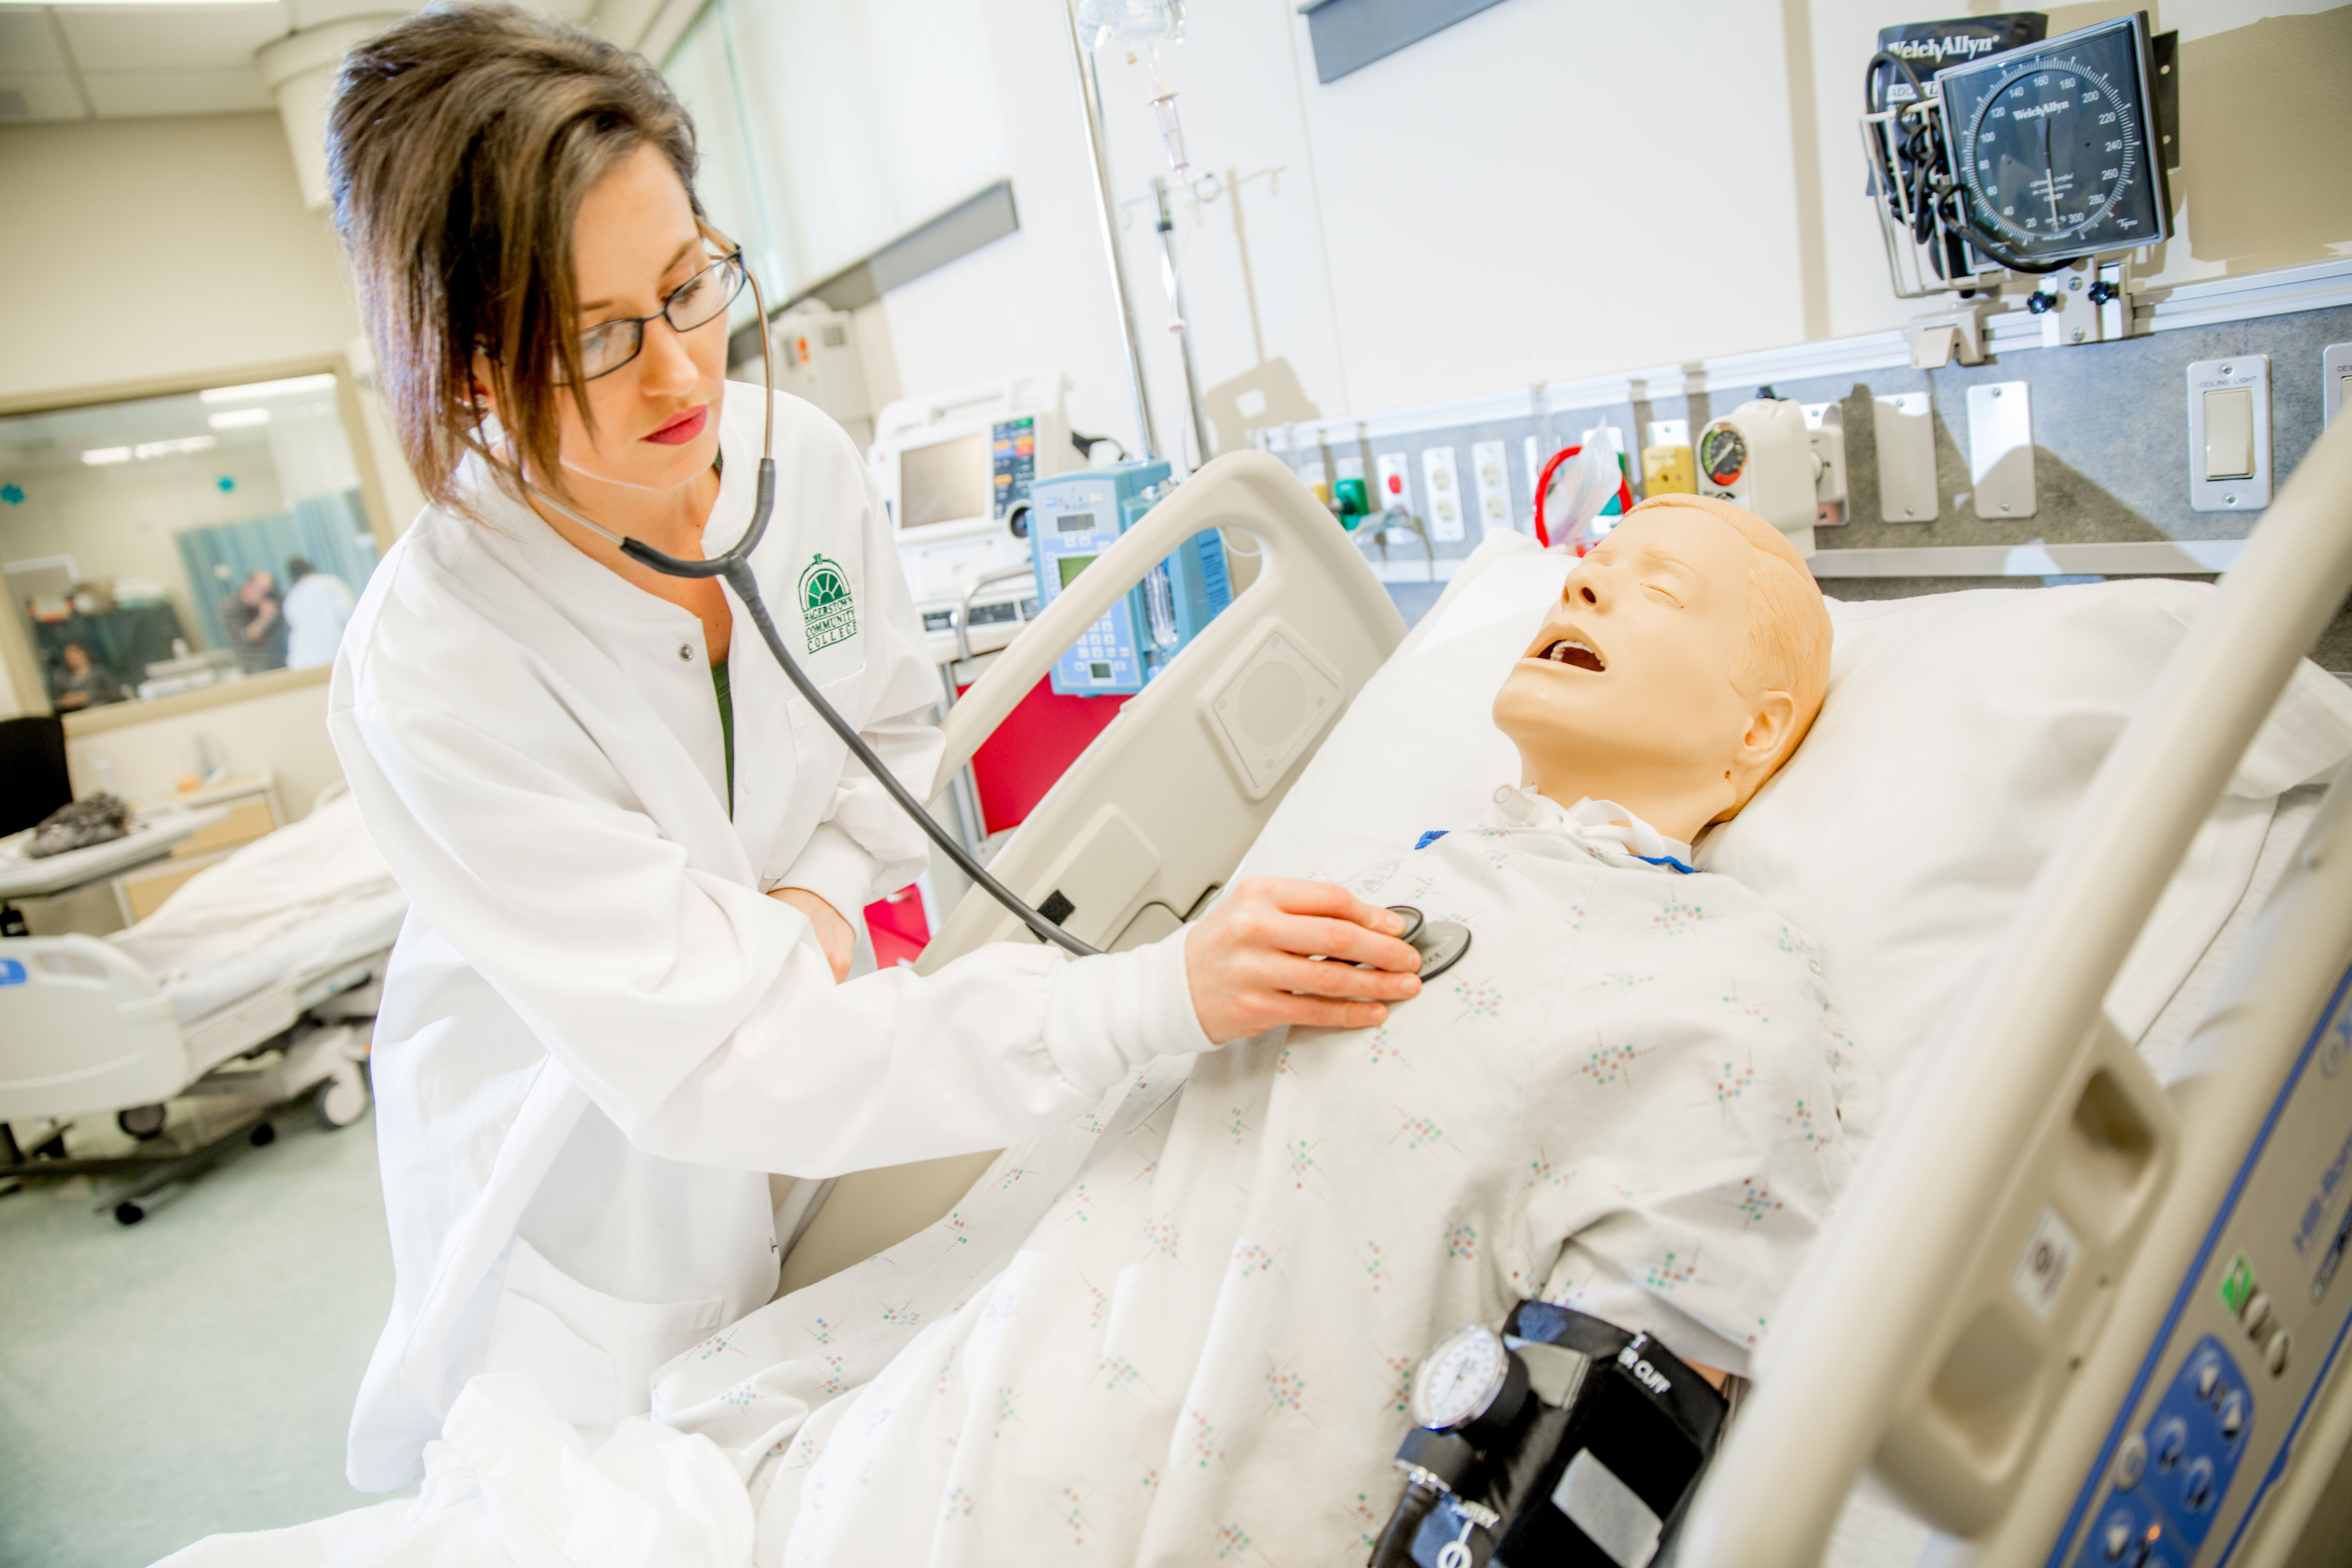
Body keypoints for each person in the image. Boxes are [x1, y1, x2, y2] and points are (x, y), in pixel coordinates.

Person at [320, 0, 1420, 1493]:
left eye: (690, 282)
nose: (685, 378)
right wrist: (1145, 1002)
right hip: (586, 1178)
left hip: (811, 1048)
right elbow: (714, 1056)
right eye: (595, 338)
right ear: (462, 376)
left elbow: (890, 740)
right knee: (619, 1499)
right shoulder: (436, 660)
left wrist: (819, 915)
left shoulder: (797, 463)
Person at [660, 494, 1881, 1564]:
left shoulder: (1724, 970)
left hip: (1196, 1487)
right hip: (963, 1399)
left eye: (1654, 587)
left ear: (1762, 730)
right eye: (1588, 566)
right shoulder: (1395, 864)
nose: (1588, 580)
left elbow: (1635, 1397)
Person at [281, 555, 358, 670]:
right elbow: (350, 615)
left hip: (305, 660)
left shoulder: (291, 597)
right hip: (335, 650)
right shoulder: (331, 584)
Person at [219, 569, 287, 673]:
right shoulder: (231, 606)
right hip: (255, 667)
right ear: (248, 587)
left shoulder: (270, 601)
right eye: (262, 591)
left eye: (269, 592)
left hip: (279, 660)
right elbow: (246, 638)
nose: (265, 596)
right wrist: (265, 618)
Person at [51, 641, 122, 710]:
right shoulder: (63, 679)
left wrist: (87, 697)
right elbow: (54, 703)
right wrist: (65, 702)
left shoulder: (100, 674)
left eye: (74, 654)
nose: (70, 658)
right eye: (68, 656)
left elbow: (115, 695)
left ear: (83, 653)